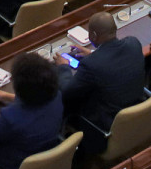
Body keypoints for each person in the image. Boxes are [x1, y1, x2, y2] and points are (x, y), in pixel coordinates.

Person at [0, 52, 63, 169]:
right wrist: (13, 98)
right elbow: (38, 101)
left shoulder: (12, 116)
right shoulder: (57, 97)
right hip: (44, 165)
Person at [56, 12, 146, 143]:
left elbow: (67, 91)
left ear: (93, 35)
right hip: (136, 115)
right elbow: (113, 60)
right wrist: (94, 54)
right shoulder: (134, 43)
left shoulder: (92, 65)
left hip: (105, 128)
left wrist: (63, 67)